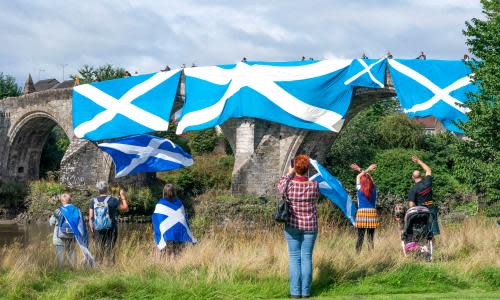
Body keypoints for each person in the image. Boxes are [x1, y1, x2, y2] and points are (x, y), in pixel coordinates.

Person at [278, 154, 319, 299]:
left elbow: (280, 187)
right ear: (307, 169)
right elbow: (316, 199)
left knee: (295, 258)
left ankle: (295, 292)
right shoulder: (314, 185)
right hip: (310, 225)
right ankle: (306, 292)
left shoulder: (289, 185)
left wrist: (289, 173)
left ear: (295, 167)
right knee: (307, 257)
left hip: (292, 224)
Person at [152, 184, 196, 258]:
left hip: (167, 233)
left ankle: (169, 262)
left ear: (164, 192)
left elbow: (155, 219)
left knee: (168, 252)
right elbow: (184, 218)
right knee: (179, 253)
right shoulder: (179, 203)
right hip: (180, 232)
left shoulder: (160, 205)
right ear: (174, 192)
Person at [88, 181, 129, 264]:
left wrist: (92, 228)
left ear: (98, 190)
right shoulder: (113, 200)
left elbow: (91, 217)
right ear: (107, 189)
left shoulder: (93, 201)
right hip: (111, 228)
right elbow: (125, 208)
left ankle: (98, 266)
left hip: (97, 228)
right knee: (110, 248)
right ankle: (110, 266)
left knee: (99, 248)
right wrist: (123, 197)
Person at [408, 155, 440, 236]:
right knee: (432, 231)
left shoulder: (413, 189)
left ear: (412, 177)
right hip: (431, 208)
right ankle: (433, 246)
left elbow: (411, 204)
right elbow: (428, 170)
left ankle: (425, 245)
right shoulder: (427, 182)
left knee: (422, 230)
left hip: (420, 210)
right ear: (421, 176)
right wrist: (419, 161)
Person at [350, 163, 379, 252]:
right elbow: (369, 177)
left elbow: (359, 176)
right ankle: (371, 255)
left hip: (362, 213)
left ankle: (357, 254)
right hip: (372, 213)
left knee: (360, 237)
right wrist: (362, 169)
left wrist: (363, 169)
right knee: (370, 238)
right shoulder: (374, 188)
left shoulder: (359, 188)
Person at [49, 193, 76, 267]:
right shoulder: (75, 210)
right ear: (70, 200)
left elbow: (51, 222)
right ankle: (73, 269)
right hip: (71, 235)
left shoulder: (58, 210)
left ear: (61, 201)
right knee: (71, 252)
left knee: (59, 253)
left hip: (59, 236)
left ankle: (60, 270)